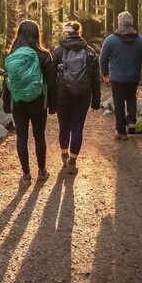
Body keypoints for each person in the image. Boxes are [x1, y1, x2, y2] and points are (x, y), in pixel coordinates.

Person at [3, 20, 58, 185]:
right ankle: (42, 171)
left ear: (18, 33)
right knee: (39, 135)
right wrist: (53, 105)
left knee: (22, 136)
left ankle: (26, 175)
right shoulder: (44, 55)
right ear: (37, 34)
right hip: (38, 101)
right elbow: (52, 82)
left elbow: (6, 83)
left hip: (18, 101)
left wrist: (6, 104)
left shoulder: (11, 55)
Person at [52, 22, 101, 174]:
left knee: (64, 127)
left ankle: (64, 154)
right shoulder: (90, 51)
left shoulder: (58, 51)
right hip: (83, 95)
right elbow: (95, 78)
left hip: (63, 95)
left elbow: (51, 77)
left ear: (65, 33)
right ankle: (72, 160)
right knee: (77, 128)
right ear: (80, 32)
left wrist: (52, 100)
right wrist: (96, 100)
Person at [99, 11, 142, 140]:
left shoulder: (111, 40)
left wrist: (105, 74)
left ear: (119, 23)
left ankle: (121, 132)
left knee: (118, 103)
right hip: (133, 76)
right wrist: (137, 60)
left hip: (117, 78)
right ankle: (131, 122)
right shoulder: (140, 39)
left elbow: (103, 59)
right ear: (131, 23)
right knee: (131, 98)